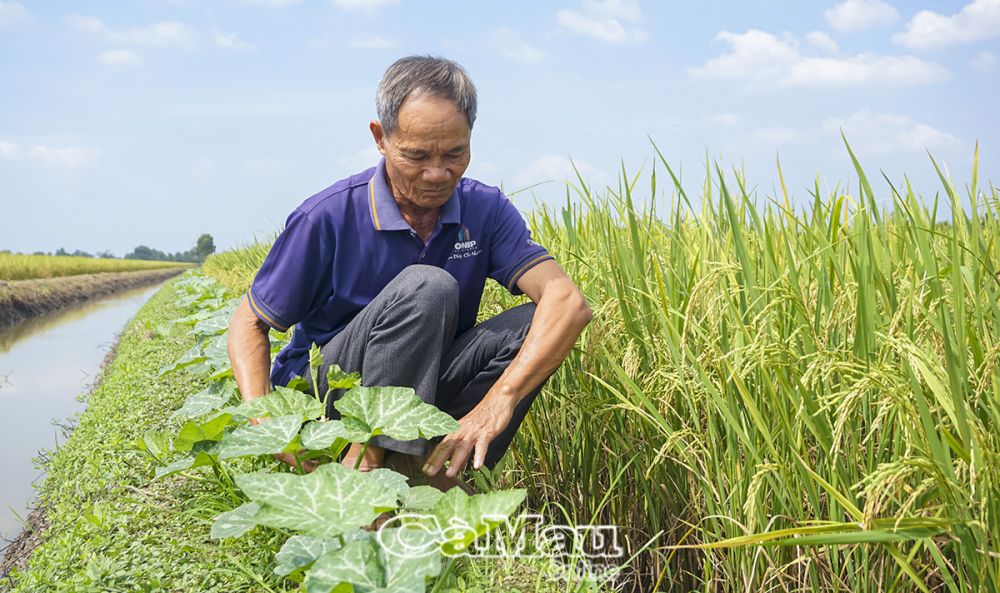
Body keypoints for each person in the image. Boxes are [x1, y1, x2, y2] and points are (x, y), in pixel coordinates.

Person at [227, 55, 592, 489]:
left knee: (540, 321)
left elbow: (568, 302)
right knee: (429, 286)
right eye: (416, 155)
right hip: (330, 393)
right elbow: (248, 321)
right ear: (380, 138)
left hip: (419, 386)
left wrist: (498, 403)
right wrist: (265, 422)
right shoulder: (327, 216)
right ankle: (364, 464)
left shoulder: (485, 209)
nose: (438, 174)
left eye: (455, 153)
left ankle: (437, 466)